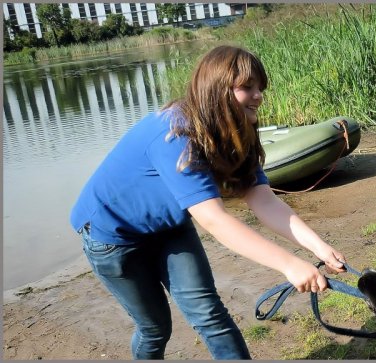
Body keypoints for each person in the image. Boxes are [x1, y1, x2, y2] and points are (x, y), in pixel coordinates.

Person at [70, 45, 347, 360]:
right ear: (216, 89)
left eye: (260, 88)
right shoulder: (176, 135)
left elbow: (263, 200)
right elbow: (215, 221)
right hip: (112, 236)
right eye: (247, 87)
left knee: (209, 314)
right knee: (155, 329)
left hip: (168, 227)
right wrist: (288, 264)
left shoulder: (239, 130)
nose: (258, 96)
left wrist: (318, 248)